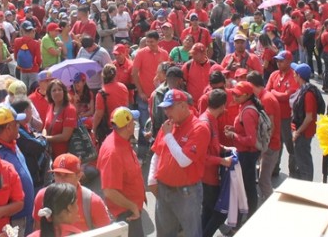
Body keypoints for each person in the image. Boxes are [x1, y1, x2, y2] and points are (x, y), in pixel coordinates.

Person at [148, 89, 210, 237]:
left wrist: (169, 136)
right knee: (164, 234)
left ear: (183, 106)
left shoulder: (199, 128)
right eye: (165, 108)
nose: (166, 112)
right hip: (164, 189)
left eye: (170, 107)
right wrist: (151, 179)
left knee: (191, 233)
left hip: (186, 193)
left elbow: (184, 161)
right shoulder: (168, 126)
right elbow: (157, 153)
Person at [0, 106, 35, 236]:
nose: (19, 126)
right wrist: (4, 210)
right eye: (17, 124)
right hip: (12, 220)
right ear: (9, 127)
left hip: (25, 215)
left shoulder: (10, 142)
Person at [98, 107, 145, 237]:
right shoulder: (113, 152)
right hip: (126, 214)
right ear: (128, 126)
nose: (135, 124)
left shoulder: (121, 140)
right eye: (133, 122)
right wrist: (132, 207)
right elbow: (109, 191)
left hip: (129, 209)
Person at [32, 153, 110, 232]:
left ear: (79, 176)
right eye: (58, 174)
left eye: (66, 175)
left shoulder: (92, 201)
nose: (61, 180)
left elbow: (108, 233)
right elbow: (38, 230)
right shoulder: (43, 196)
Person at [223, 81, 262, 217]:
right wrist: (234, 129)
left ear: (247, 95)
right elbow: (245, 130)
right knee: (246, 185)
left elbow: (251, 140)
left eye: (238, 95)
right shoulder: (244, 107)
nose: (234, 97)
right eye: (234, 93)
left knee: (248, 186)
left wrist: (233, 135)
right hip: (246, 153)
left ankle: (251, 215)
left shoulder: (247, 112)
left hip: (247, 154)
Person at [200, 89, 233, 237]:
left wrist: (223, 148)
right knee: (220, 212)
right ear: (222, 106)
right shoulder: (205, 123)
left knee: (208, 211)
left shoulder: (211, 119)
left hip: (212, 175)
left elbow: (211, 144)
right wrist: (222, 161)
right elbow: (202, 156)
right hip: (206, 177)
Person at [132, 30, 170, 153]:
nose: (149, 44)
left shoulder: (164, 54)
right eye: (147, 42)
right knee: (144, 124)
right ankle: (142, 152)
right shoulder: (140, 53)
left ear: (158, 41)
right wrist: (140, 92)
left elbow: (167, 73)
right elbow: (134, 73)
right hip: (145, 96)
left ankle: (157, 149)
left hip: (160, 97)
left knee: (159, 123)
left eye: (152, 42)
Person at [246, 71, 281, 202]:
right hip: (270, 145)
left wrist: (263, 147)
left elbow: (270, 126)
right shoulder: (265, 96)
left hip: (271, 146)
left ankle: (271, 207)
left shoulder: (266, 99)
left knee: (264, 182)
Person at [266, 50, 300, 177]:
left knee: (291, 145)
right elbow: (267, 91)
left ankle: (293, 172)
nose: (278, 63)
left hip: (288, 117)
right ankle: (275, 168)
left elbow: (287, 96)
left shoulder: (294, 76)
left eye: (281, 61)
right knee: (276, 143)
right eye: (277, 61)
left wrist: (274, 92)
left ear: (289, 61)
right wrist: (275, 93)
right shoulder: (274, 74)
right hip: (274, 116)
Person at [11, 98, 50, 193]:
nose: (32, 112)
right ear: (25, 111)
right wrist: (42, 137)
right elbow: (38, 146)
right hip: (31, 180)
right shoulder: (19, 131)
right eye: (31, 109)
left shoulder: (24, 127)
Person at [291, 63, 320, 182]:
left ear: (299, 76)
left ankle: (307, 183)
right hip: (301, 131)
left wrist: (297, 132)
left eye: (295, 73)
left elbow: (309, 118)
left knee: (304, 161)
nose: (293, 75)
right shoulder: (303, 90)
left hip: (304, 133)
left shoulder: (308, 94)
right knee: (301, 159)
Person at [92, 64, 129, 146]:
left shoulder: (101, 93)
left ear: (102, 76)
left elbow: (99, 114)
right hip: (124, 125)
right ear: (115, 75)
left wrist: (93, 129)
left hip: (110, 128)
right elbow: (126, 105)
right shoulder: (123, 87)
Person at [43, 79, 77, 159]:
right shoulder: (50, 106)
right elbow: (45, 127)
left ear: (64, 92)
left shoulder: (70, 109)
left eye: (59, 90)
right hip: (50, 153)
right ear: (50, 93)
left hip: (65, 155)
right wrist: (43, 136)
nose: (57, 92)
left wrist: (45, 138)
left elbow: (65, 136)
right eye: (54, 90)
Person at [13, 21, 42, 88]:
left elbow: (15, 57)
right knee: (32, 89)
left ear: (22, 31)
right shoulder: (36, 43)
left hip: (23, 70)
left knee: (24, 89)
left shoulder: (17, 41)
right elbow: (39, 59)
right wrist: (38, 66)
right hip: (33, 69)